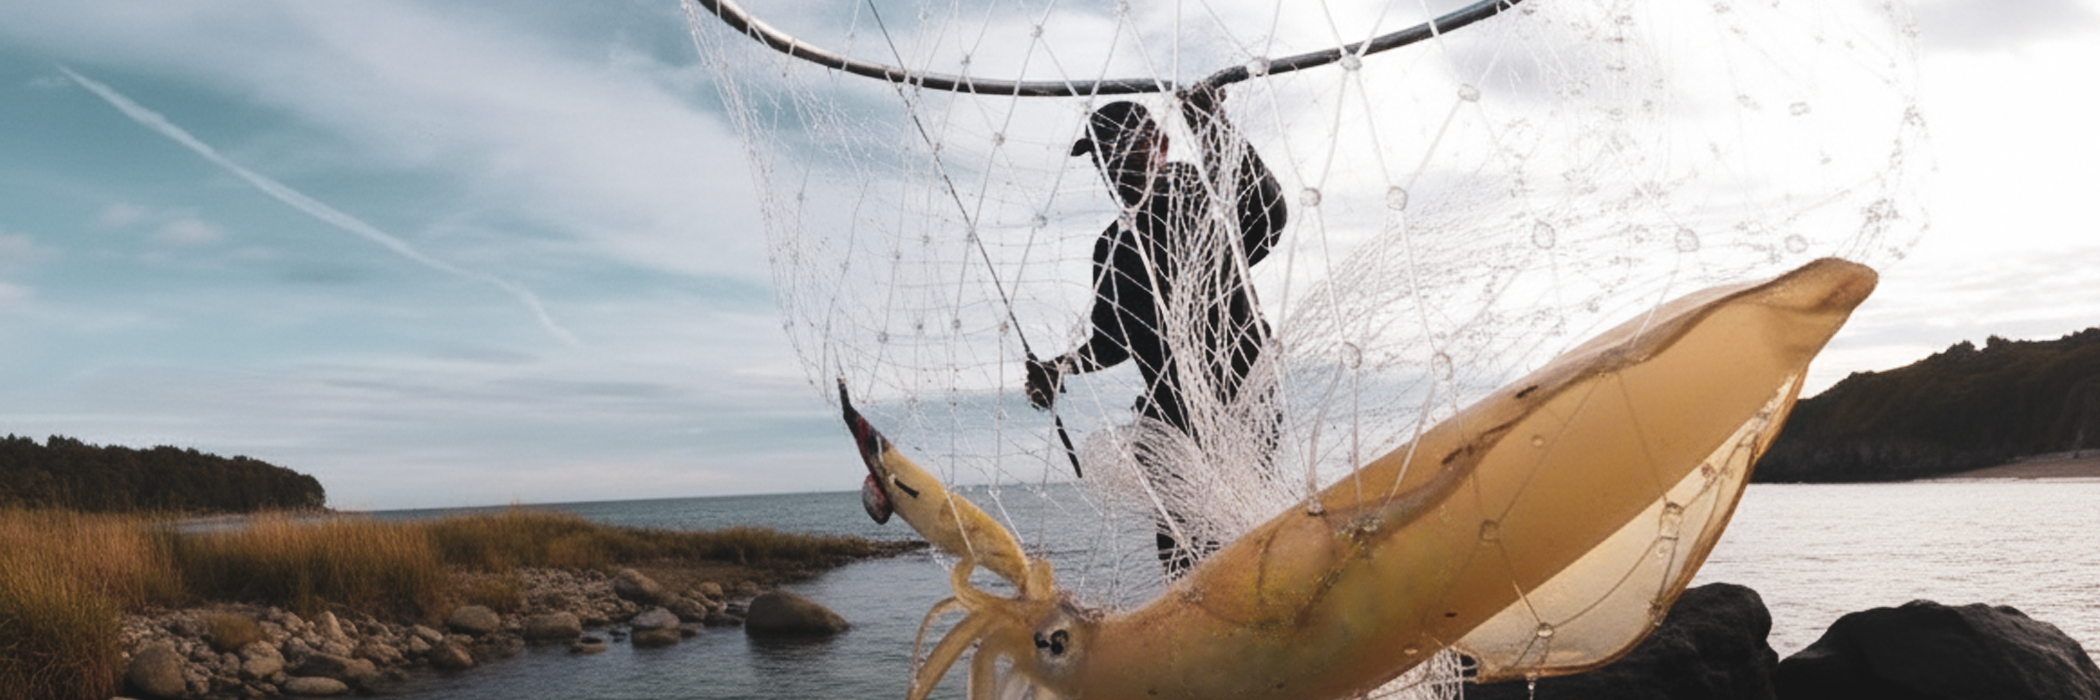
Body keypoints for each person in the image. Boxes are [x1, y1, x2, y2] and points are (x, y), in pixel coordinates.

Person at [1024, 84, 1286, 577]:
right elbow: (1112, 343)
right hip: (1169, 415)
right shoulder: (1113, 246)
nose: (1112, 164)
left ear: (1159, 143)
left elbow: (1267, 214)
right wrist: (1058, 367)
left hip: (1240, 400)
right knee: (1181, 552)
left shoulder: (1198, 194)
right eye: (1102, 154)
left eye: (1124, 146)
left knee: (1240, 545)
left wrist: (1211, 123)